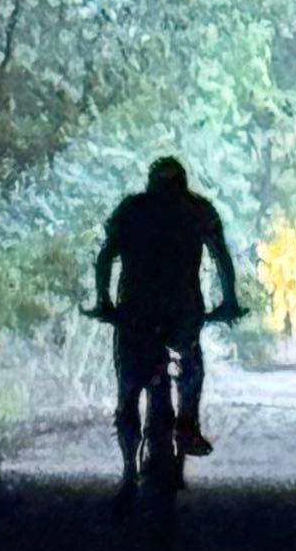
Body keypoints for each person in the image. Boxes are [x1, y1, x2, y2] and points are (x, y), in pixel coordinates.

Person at [92, 155, 241, 486]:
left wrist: (103, 302)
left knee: (128, 389)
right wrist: (229, 301)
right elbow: (222, 258)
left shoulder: (132, 210)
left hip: (135, 314)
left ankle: (130, 472)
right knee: (189, 370)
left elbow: (106, 256)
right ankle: (187, 426)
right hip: (181, 314)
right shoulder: (198, 210)